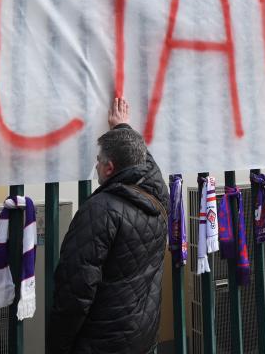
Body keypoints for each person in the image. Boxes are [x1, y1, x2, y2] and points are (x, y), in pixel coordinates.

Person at [48, 98, 170, 354]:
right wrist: (122, 127)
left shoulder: (100, 209)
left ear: (109, 167)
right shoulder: (158, 198)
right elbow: (146, 165)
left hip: (102, 343)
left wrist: (58, 346)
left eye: (99, 160)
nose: (96, 165)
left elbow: (74, 294)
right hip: (143, 338)